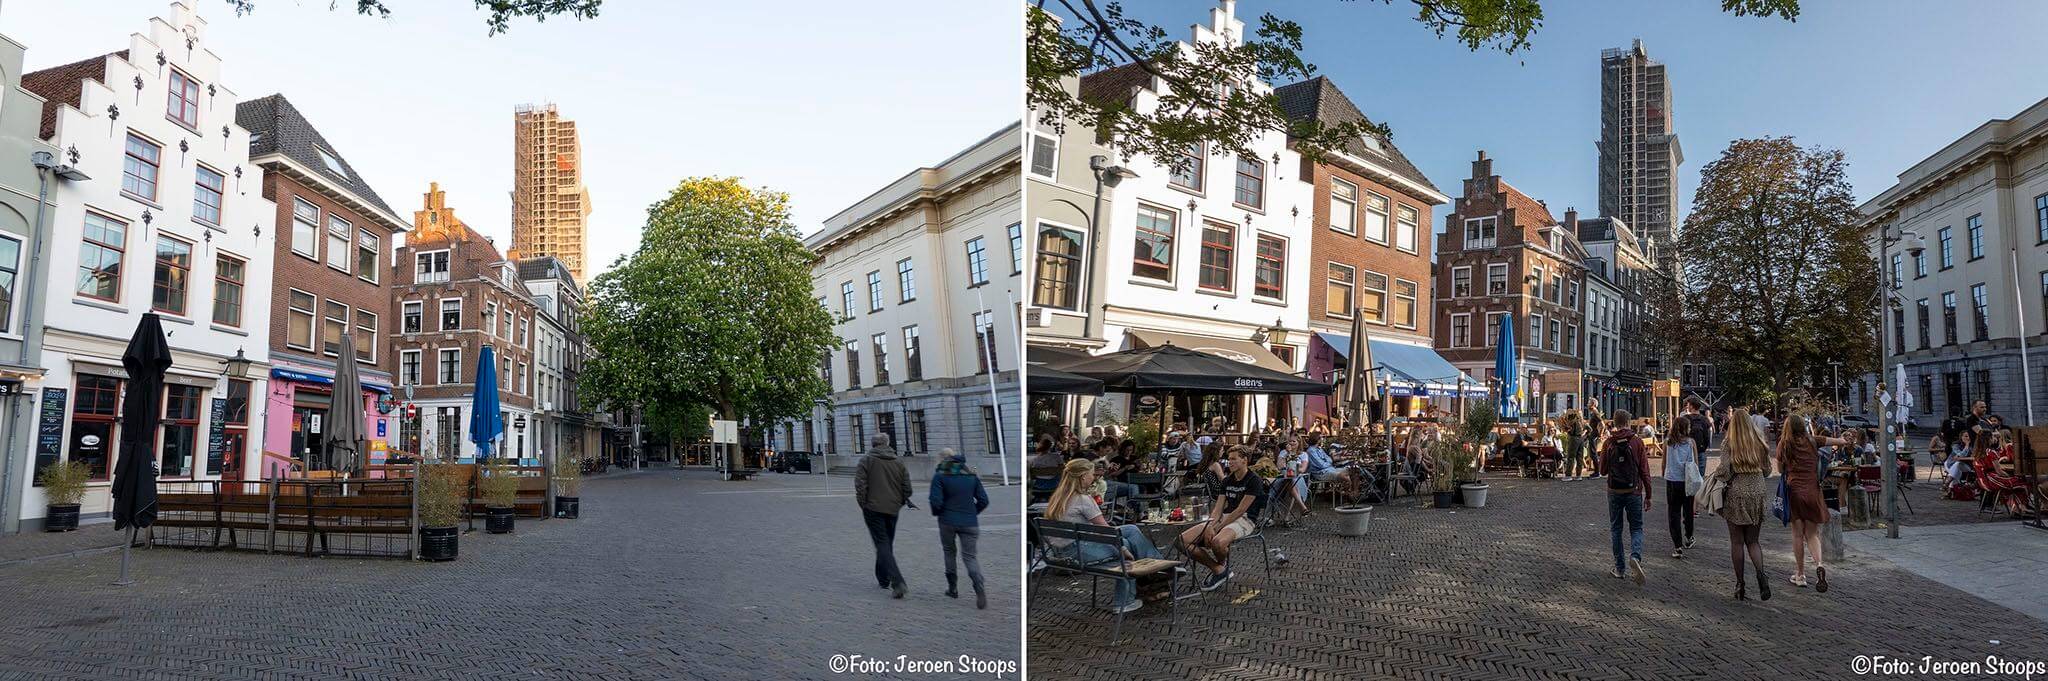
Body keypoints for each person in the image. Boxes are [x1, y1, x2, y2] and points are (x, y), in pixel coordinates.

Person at [1042, 458, 1169, 614]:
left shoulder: (1058, 497)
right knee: (1127, 545)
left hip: (1060, 551)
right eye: (1091, 474)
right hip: (1077, 553)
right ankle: (1127, 599)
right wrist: (1122, 548)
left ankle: (1156, 567)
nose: (1093, 477)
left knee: (1131, 529)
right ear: (1082, 477)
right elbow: (1105, 531)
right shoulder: (1083, 499)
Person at [1706, 408, 1775, 600]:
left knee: (1737, 541)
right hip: (1757, 492)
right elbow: (1768, 470)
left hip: (1737, 493)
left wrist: (1716, 477)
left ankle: (1740, 584)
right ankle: (1761, 574)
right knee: (1753, 541)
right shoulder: (1759, 441)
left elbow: (1725, 471)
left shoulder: (1729, 442)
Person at [1177, 445, 1265, 591]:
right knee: (1181, 541)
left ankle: (1221, 567)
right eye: (1228, 459)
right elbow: (1218, 508)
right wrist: (1210, 525)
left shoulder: (1254, 480)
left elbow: (1240, 510)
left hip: (1246, 519)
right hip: (1225, 516)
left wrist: (1218, 527)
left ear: (1244, 460)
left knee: (1217, 542)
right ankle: (1218, 569)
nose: (1229, 462)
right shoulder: (1227, 480)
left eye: (1233, 459)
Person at [1777, 414, 1848, 593]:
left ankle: (1800, 574)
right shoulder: (1813, 440)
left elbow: (1780, 470)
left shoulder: (1784, 444)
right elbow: (1839, 441)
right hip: (1813, 490)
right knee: (1812, 534)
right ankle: (1819, 564)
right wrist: (1845, 438)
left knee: (1797, 535)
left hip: (1794, 491)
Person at [854, 433, 914, 598]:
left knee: (882, 543)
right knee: (886, 543)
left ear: (873, 444)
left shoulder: (866, 460)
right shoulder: (899, 462)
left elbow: (860, 486)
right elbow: (907, 489)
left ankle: (897, 581)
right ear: (887, 443)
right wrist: (898, 502)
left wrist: (864, 505)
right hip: (892, 509)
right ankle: (883, 579)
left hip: (872, 508)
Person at [928, 449, 989, 608]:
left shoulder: (940, 475)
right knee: (970, 557)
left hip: (947, 521)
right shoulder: (970, 475)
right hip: (970, 522)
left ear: (942, 460)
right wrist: (972, 513)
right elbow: (983, 500)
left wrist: (939, 513)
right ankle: (978, 585)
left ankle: (952, 588)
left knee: (949, 552)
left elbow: (935, 501)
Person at [1600, 409, 1652, 584]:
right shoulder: (1637, 442)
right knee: (1636, 528)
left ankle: (1620, 568)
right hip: (1634, 491)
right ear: (1629, 422)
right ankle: (1635, 556)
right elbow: (1644, 471)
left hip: (1614, 491)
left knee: (1616, 529)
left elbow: (1602, 470)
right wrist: (1649, 494)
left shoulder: (1609, 442)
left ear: (1614, 422)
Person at [1662, 416, 1698, 558]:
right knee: (1688, 511)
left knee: (1673, 513)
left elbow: (1664, 462)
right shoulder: (1691, 443)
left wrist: (1664, 473)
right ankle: (1688, 537)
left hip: (1672, 480)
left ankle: (1677, 546)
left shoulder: (1667, 443)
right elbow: (1694, 462)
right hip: (1687, 481)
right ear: (1686, 428)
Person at [1304, 435, 1360, 501]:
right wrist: (1328, 462)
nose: (1323, 440)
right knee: (1345, 477)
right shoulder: (1311, 451)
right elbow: (1321, 465)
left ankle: (1355, 493)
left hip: (1331, 469)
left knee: (1354, 470)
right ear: (1317, 440)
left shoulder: (1319, 449)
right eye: (1322, 438)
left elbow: (1329, 459)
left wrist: (1327, 462)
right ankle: (1347, 496)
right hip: (1321, 473)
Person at [1681, 397, 1713, 476]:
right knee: (1700, 477)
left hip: (1687, 452)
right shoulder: (1704, 419)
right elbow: (1707, 436)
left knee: (1688, 478)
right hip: (1701, 451)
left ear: (1691, 406)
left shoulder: (1685, 419)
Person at [1559, 410, 1588, 481]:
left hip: (1574, 438)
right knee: (1579, 458)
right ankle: (1578, 475)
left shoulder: (1572, 420)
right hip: (1580, 439)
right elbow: (1588, 429)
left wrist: (1564, 426)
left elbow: (1568, 429)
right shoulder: (1580, 420)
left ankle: (1568, 475)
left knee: (1571, 457)